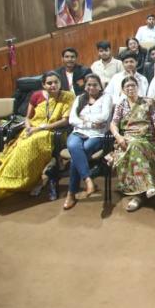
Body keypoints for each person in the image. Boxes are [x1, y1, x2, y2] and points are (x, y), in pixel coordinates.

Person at [0, 71, 74, 205]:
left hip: (53, 131)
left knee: (29, 145)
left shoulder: (67, 96)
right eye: (49, 83)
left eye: (56, 82)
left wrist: (40, 128)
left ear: (60, 83)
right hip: (33, 128)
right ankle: (7, 180)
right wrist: (28, 127)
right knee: (18, 147)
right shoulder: (36, 95)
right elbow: (28, 117)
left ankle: (28, 181)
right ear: (43, 85)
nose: (53, 85)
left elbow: (65, 121)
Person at [109, 76, 155, 212]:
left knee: (135, 146)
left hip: (146, 139)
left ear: (137, 87)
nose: (130, 88)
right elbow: (113, 124)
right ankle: (147, 187)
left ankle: (139, 195)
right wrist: (118, 136)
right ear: (123, 90)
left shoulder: (147, 103)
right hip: (127, 139)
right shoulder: (121, 105)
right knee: (133, 145)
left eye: (133, 85)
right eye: (127, 86)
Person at [64, 74, 112, 210]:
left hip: (97, 135)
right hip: (78, 133)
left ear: (100, 86)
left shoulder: (106, 98)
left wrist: (84, 118)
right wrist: (90, 123)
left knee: (77, 154)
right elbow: (72, 119)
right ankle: (88, 180)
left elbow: (104, 117)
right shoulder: (79, 98)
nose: (92, 87)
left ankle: (71, 193)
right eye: (89, 85)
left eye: (95, 84)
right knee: (73, 145)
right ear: (85, 86)